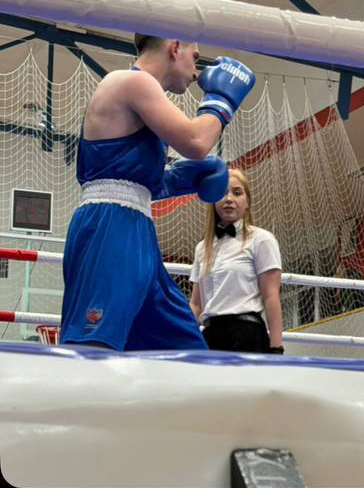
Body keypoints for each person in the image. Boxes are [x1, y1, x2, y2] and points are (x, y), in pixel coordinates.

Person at [60, 34, 255, 350]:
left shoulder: (140, 95)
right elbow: (196, 141)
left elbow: (125, 177)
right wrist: (223, 99)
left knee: (187, 352)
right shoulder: (131, 82)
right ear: (175, 47)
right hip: (110, 229)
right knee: (94, 347)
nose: (197, 71)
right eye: (195, 56)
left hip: (138, 232)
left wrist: (177, 179)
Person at [189, 168, 283, 353]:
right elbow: (196, 304)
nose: (229, 199)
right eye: (222, 193)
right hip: (210, 337)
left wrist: (276, 346)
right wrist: (179, 337)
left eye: (237, 192)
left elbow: (271, 295)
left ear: (247, 201)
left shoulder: (261, 239)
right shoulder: (202, 248)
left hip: (247, 334)